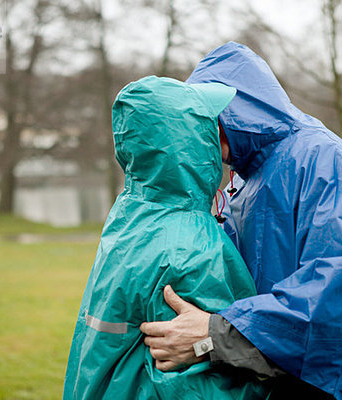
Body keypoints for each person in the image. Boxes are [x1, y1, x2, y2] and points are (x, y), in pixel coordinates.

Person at [141, 42, 342, 400]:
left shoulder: (325, 163)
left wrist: (212, 335)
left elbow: (336, 299)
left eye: (211, 117)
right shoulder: (241, 182)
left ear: (239, 108)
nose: (203, 135)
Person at [63, 76, 270, 399]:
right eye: (208, 126)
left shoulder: (129, 215)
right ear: (191, 141)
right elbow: (197, 384)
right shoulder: (193, 245)